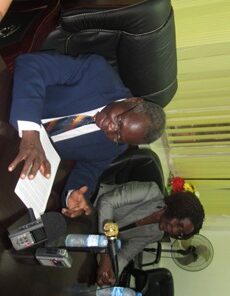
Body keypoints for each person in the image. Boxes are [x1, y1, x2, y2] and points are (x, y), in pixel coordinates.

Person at [8, 52, 166, 218]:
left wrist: (74, 194)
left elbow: (88, 170)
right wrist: (30, 132)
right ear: (134, 101)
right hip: (12, 107)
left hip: (17, 155)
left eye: (118, 136)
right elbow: (31, 64)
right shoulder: (96, 73)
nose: (110, 128)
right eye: (119, 121)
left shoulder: (115, 148)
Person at [96, 181, 205, 286]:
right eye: (179, 225)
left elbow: (125, 255)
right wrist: (105, 256)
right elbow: (106, 201)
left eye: (180, 233)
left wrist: (111, 273)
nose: (174, 231)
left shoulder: (156, 234)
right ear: (177, 209)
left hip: (92, 235)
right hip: (90, 202)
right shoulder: (150, 192)